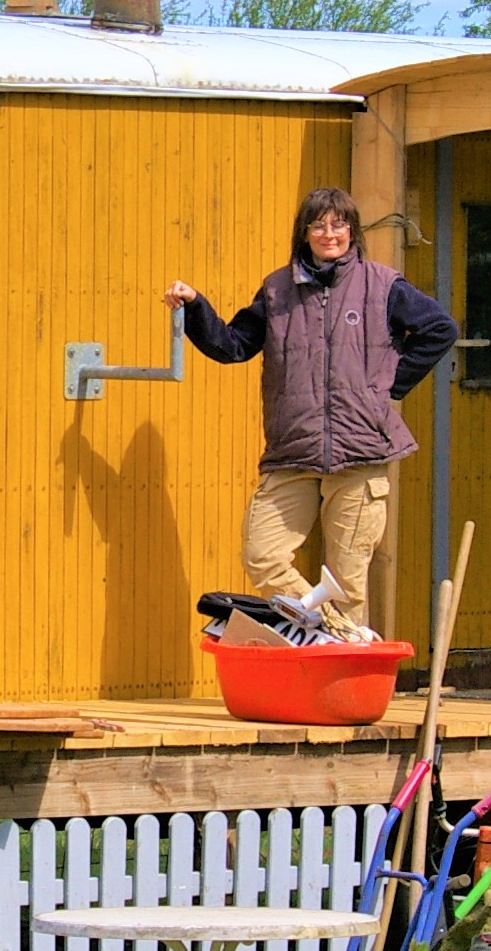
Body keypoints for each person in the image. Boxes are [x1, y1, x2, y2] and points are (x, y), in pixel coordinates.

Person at [166, 185, 458, 629]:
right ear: (304, 233)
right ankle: (332, 631)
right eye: (318, 225)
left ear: (352, 231)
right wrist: (194, 307)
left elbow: (440, 328)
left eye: (338, 224)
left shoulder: (382, 285)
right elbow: (232, 345)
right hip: (293, 453)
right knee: (263, 554)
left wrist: (386, 388)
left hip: (361, 453)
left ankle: (346, 684)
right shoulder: (277, 290)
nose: (329, 233)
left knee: (349, 580)